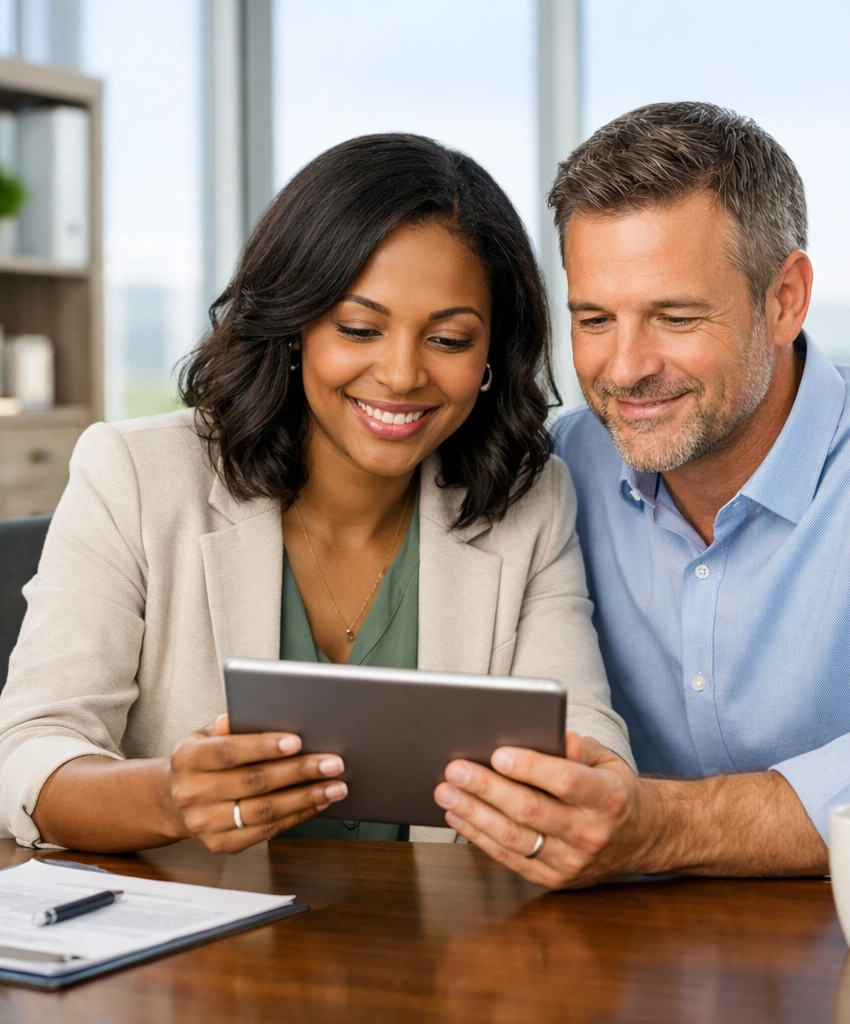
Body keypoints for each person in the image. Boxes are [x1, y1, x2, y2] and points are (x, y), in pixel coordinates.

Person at [433, 102, 850, 887]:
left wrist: (662, 827)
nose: (625, 367)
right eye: (594, 319)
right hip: (617, 949)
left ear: (785, 299)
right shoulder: (553, 472)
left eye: (675, 317)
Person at [0, 133, 633, 854]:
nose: (401, 375)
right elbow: (31, 752)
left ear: (493, 352)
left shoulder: (530, 497)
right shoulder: (135, 474)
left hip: (441, 926)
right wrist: (170, 797)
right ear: (295, 323)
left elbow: (585, 739)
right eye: (359, 328)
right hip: (195, 920)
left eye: (450, 340)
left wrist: (591, 796)